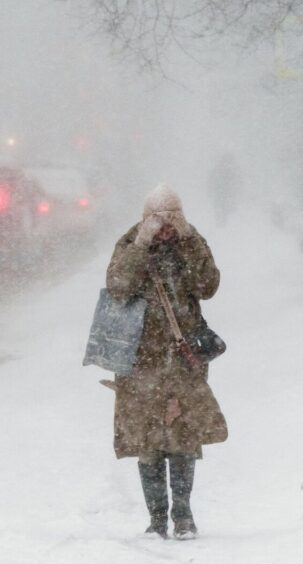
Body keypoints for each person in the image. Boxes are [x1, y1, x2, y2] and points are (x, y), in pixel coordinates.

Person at [105, 183, 227, 540]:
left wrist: (187, 239)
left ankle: (184, 515)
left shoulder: (189, 242)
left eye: (172, 221)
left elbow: (208, 285)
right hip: (139, 359)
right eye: (159, 221)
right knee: (148, 442)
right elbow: (118, 286)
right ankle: (157, 518)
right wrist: (143, 244)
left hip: (182, 357)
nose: (165, 229)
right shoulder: (131, 244)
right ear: (146, 220)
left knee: (183, 437)